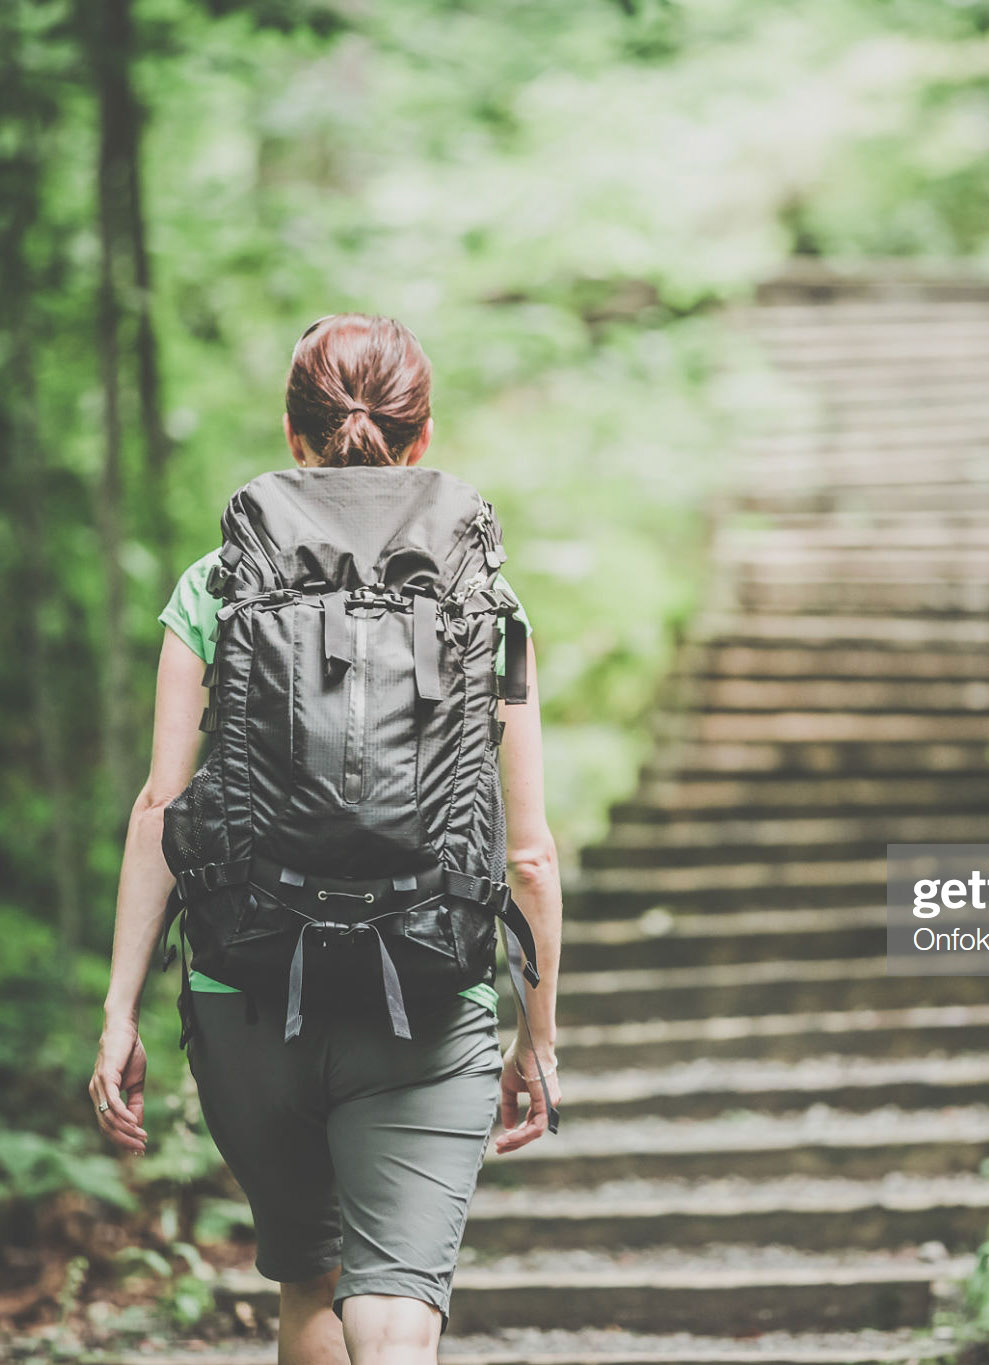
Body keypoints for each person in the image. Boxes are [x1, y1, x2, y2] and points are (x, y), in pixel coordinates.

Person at [90, 314, 563, 1365]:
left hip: (247, 988)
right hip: (433, 987)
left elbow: (159, 809)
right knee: (397, 1305)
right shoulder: (488, 599)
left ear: (295, 436)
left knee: (311, 1280)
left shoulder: (215, 585)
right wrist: (538, 1033)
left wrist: (120, 1009)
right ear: (421, 434)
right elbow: (527, 851)